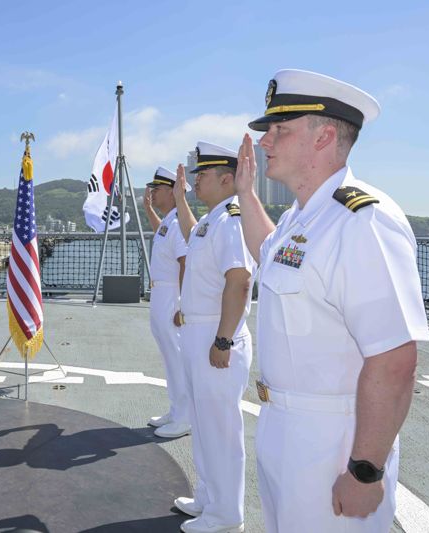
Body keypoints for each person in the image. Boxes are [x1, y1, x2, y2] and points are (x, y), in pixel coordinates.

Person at [234, 69, 429, 532]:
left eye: (280, 130)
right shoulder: (301, 218)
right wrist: (245, 192)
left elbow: (394, 358)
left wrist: (365, 470)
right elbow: (270, 256)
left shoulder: (362, 221)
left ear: (323, 136)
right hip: (284, 427)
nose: (265, 143)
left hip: (334, 442)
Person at [171, 142, 255, 533]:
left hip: (217, 333)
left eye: (203, 174)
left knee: (220, 427)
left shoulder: (234, 220)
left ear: (226, 179)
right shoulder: (212, 221)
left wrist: (224, 341)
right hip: (198, 329)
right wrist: (177, 197)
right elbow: (193, 239)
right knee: (204, 424)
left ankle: (226, 513)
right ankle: (208, 497)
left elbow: (239, 281)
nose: (197, 179)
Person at [142, 166, 190, 439]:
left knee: (177, 357)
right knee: (168, 357)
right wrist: (149, 209)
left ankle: (185, 417)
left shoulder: (179, 224)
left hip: (172, 295)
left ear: (173, 192)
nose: (153, 193)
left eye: (157, 189)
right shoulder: (170, 223)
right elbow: (160, 232)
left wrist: (183, 303)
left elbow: (185, 262)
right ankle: (175, 410)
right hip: (161, 294)